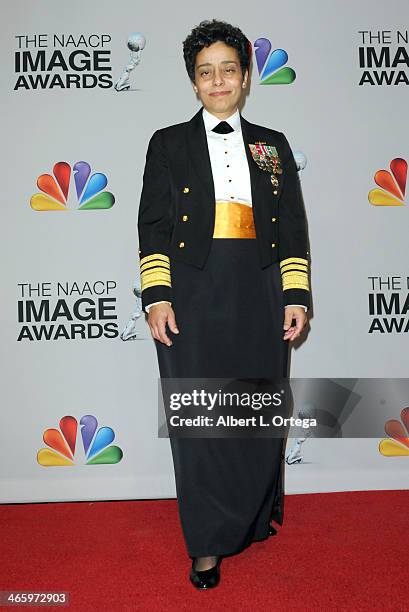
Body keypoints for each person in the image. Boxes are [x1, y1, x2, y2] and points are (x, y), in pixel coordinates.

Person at [137, 19, 310, 589]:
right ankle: (208, 542)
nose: (217, 82)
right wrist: (157, 296)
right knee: (200, 419)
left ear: (245, 77)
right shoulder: (167, 143)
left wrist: (295, 293)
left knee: (257, 411)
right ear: (193, 82)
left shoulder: (271, 145)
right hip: (193, 287)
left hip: (257, 286)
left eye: (227, 70)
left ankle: (253, 518)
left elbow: (289, 225)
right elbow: (154, 226)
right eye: (205, 73)